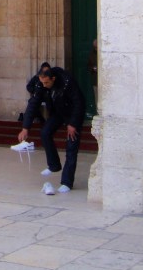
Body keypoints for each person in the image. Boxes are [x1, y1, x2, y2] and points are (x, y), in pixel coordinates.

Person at [17, 65, 85, 193]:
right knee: (45, 133)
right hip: (58, 112)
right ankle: (54, 165)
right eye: (42, 82)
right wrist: (25, 128)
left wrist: (73, 124)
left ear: (53, 78)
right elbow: (33, 104)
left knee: (71, 147)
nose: (44, 85)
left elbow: (78, 102)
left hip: (72, 113)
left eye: (47, 82)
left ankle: (67, 182)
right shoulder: (40, 84)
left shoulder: (67, 81)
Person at [87, 39, 98, 112]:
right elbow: (89, 66)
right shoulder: (91, 54)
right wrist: (93, 68)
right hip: (95, 79)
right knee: (97, 97)